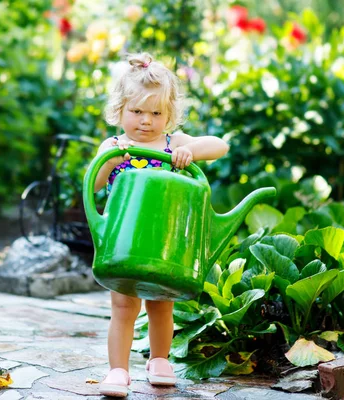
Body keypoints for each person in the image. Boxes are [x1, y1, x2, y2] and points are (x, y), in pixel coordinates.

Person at [93, 52, 230, 397]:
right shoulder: (114, 146)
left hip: (163, 244)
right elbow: (93, 184)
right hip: (124, 242)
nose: (146, 121)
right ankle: (118, 371)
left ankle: (159, 361)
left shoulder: (172, 144)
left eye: (156, 113)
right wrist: (110, 161)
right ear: (120, 111)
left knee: (161, 304)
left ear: (169, 115)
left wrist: (192, 152)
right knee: (123, 306)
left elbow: (221, 145)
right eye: (136, 111)